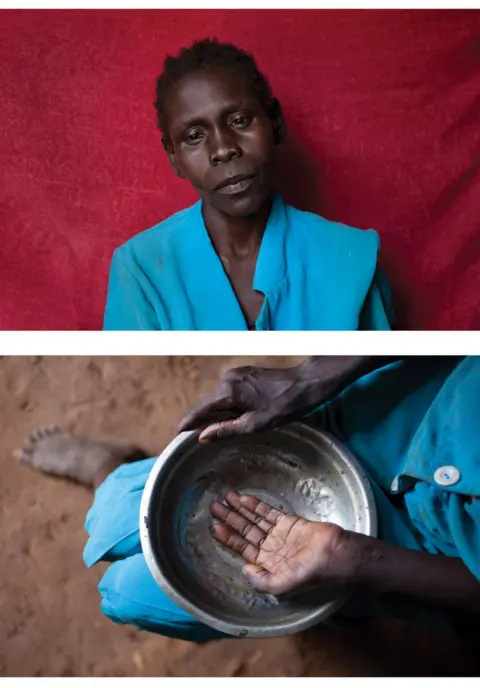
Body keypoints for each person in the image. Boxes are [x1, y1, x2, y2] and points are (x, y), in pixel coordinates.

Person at [18, 356, 480, 640]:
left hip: (419, 556)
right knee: (116, 509)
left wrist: (355, 560)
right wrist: (311, 376)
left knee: (128, 594)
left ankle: (336, 616)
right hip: (394, 411)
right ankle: (116, 471)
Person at [103, 39, 393, 331]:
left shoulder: (350, 259)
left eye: (240, 120)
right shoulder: (142, 270)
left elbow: (386, 374)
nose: (223, 148)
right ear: (174, 157)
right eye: (194, 136)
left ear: (275, 122)